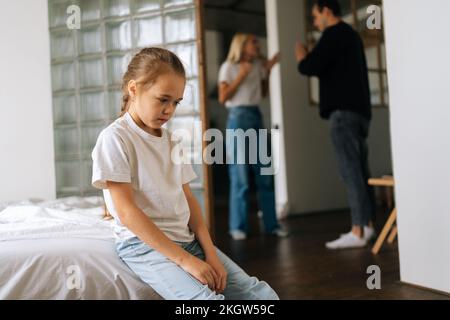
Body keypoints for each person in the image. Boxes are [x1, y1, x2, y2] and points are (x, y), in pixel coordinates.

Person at [91, 47, 279, 300]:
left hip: (187, 239)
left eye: (176, 102)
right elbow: (126, 212)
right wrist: (185, 261)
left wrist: (210, 252)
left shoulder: (171, 140)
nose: (170, 110)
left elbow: (188, 199)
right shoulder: (114, 138)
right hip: (143, 247)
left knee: (261, 296)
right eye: (163, 99)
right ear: (133, 89)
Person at [295, 0, 376, 249]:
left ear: (326, 10)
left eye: (315, 16)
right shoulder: (351, 35)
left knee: (350, 171)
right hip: (360, 113)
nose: (315, 22)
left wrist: (302, 55)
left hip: (343, 115)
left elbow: (310, 66)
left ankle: (358, 231)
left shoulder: (334, 34)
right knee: (360, 171)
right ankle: (368, 226)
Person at [218, 33, 288, 241]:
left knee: (264, 175)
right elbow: (223, 97)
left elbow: (263, 93)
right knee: (240, 177)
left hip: (256, 116)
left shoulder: (258, 66)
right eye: (253, 42)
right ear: (242, 46)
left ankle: (271, 225)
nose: (258, 45)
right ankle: (237, 227)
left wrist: (267, 71)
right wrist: (241, 75)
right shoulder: (228, 67)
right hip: (238, 118)